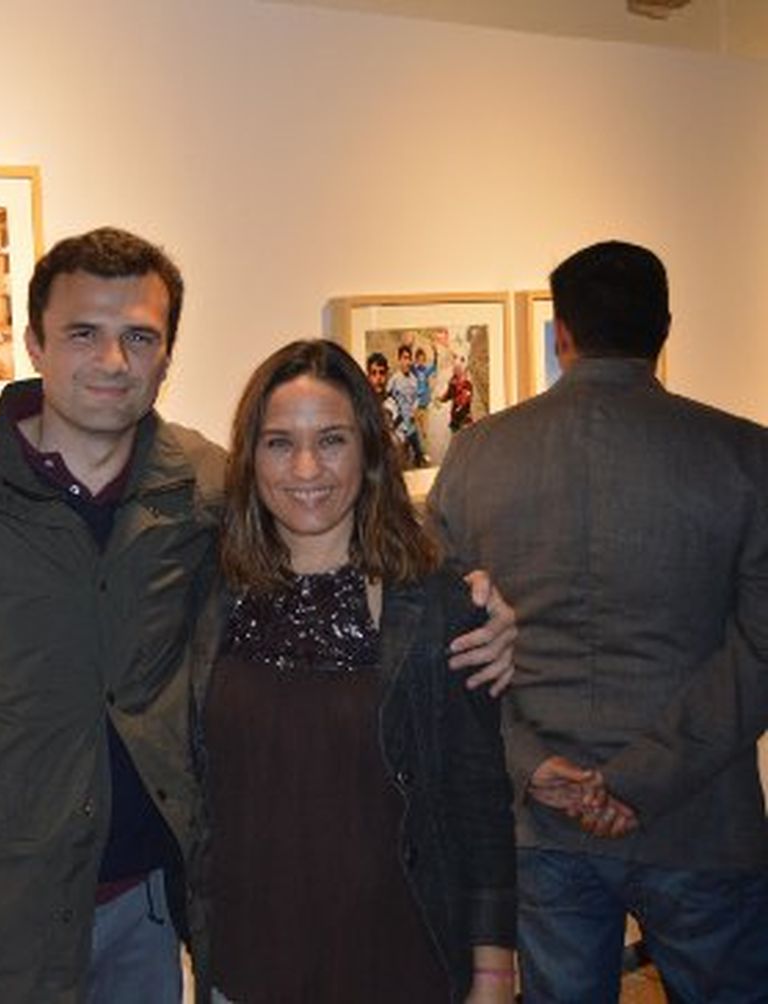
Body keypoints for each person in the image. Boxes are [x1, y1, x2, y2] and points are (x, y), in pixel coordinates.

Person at [0, 228, 518, 1004]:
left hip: (144, 918)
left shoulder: (203, 483)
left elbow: (337, 512)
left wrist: (474, 598)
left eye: (139, 336)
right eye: (84, 333)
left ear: (166, 358)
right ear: (35, 343)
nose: (113, 362)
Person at [427, 239, 768, 1002]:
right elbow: (760, 655)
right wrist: (636, 780)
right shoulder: (747, 456)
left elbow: (444, 645)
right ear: (666, 328)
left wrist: (531, 765)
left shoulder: (477, 454)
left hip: (540, 818)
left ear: (561, 334)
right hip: (701, 821)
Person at [192, 340, 516, 1003]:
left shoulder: (437, 605)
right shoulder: (208, 592)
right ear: (249, 457)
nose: (307, 467)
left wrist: (491, 975)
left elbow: (478, 802)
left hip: (399, 963)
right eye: (280, 443)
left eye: (332, 439)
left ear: (369, 449)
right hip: (247, 966)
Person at [387, 343, 426, 467]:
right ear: (399, 360)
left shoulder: (414, 380)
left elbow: (417, 398)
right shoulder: (394, 380)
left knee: (418, 454)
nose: (407, 361)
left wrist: (414, 409)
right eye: (404, 358)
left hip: (412, 427)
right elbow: (386, 399)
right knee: (401, 459)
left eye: (409, 358)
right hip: (399, 428)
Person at [439, 355, 474, 432]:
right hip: (455, 418)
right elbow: (448, 395)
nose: (456, 371)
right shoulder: (452, 382)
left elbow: (465, 401)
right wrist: (441, 399)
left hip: (464, 418)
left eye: (458, 369)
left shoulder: (467, 384)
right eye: (455, 369)